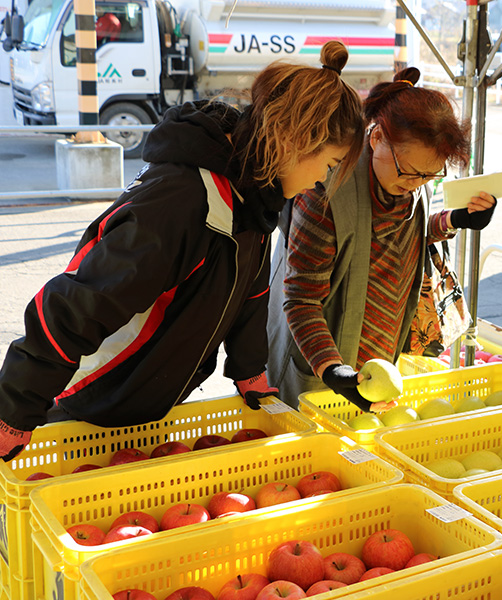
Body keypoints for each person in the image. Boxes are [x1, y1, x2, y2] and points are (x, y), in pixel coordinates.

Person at [0, 41, 365, 461]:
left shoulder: (253, 195)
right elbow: (76, 304)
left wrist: (249, 372)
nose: (322, 181)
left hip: (151, 402)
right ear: (296, 140)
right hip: (88, 398)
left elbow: (250, 291)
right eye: (330, 164)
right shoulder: (184, 200)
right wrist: (16, 409)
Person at [267, 67, 496, 412]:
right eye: (409, 171)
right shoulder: (323, 195)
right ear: (376, 138)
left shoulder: (410, 179)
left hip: (380, 355)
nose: (416, 183)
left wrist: (457, 219)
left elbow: (401, 235)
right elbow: (301, 301)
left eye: (429, 174)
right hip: (323, 361)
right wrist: (335, 372)